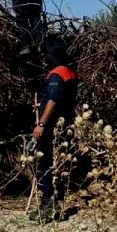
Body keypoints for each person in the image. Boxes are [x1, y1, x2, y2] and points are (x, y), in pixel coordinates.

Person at [30, 42, 79, 220]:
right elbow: (61, 99)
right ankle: (56, 201)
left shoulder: (57, 74)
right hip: (66, 124)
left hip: (51, 126)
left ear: (51, 56)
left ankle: (47, 205)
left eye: (45, 55)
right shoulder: (70, 73)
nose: (44, 59)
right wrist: (41, 104)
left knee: (44, 162)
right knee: (60, 163)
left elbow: (54, 100)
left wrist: (41, 124)